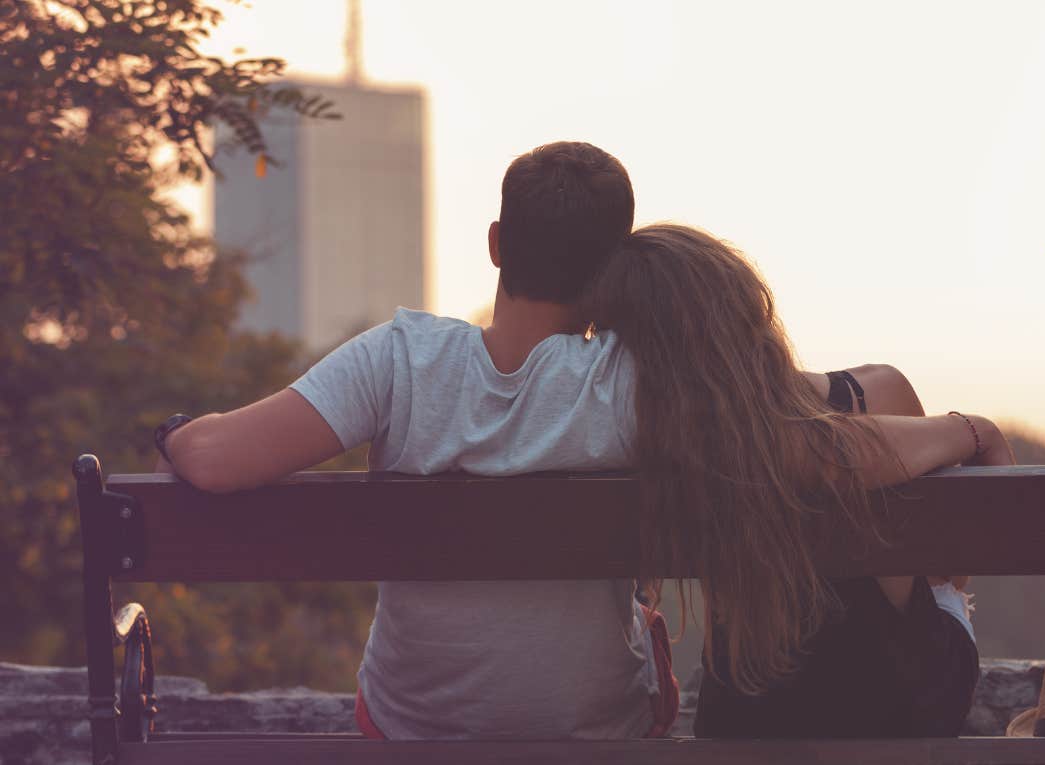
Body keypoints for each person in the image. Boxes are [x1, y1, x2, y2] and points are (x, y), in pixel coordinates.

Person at [152, 141, 679, 739]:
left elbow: (214, 460)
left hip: (411, 731)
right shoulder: (634, 379)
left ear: (496, 243)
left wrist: (174, 434)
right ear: (616, 266)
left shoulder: (401, 360)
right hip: (597, 733)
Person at [584, 223, 1015, 738]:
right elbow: (954, 568)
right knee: (941, 592)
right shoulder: (878, 394)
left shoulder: (649, 438)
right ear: (747, 311)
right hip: (900, 705)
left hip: (743, 711)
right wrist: (974, 429)